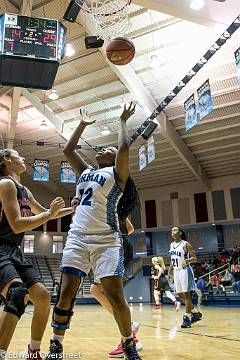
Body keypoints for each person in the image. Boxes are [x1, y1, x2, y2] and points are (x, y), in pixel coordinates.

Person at [46, 104, 142, 360]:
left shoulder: (117, 174)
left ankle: (128, 343)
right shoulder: (86, 171)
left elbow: (123, 148)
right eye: (102, 148)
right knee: (65, 294)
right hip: (77, 238)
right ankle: (56, 344)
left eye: (108, 149)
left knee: (114, 295)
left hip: (106, 241)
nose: (104, 149)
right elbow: (68, 149)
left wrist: (122, 120)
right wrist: (81, 125)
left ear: (113, 159)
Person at [0, 148, 74, 360]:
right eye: (18, 155)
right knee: (17, 294)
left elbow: (46, 213)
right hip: (0, 248)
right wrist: (49, 214)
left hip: (14, 250)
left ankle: (33, 352)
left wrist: (72, 209)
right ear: (7, 159)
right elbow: (16, 225)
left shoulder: (24, 190)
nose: (23, 158)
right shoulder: (5, 184)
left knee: (42, 297)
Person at [168, 226, 202, 328]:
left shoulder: (185, 244)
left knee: (186, 295)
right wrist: (170, 270)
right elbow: (172, 258)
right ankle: (195, 312)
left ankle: (187, 317)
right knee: (180, 294)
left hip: (185, 270)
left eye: (175, 230)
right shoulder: (171, 245)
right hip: (176, 271)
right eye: (172, 230)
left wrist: (186, 261)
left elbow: (194, 258)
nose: (172, 232)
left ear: (180, 233)